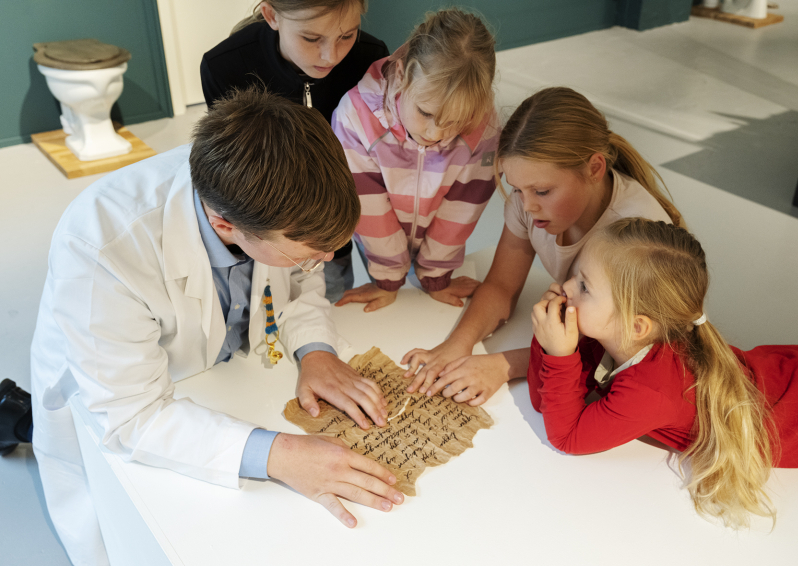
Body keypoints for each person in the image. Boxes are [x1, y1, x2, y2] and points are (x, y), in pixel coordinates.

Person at [30, 88, 404, 566]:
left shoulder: (270, 190)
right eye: (312, 251)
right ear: (225, 225)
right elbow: (134, 415)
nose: (326, 259)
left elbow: (299, 279)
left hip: (222, 376)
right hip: (120, 390)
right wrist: (281, 455)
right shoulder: (102, 244)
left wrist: (316, 351)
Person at [529, 218, 798, 528]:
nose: (566, 286)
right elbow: (544, 401)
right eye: (577, 275)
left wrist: (558, 354)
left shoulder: (650, 390)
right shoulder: (619, 336)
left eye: (584, 286)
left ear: (637, 325)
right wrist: (549, 341)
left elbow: (566, 437)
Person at [402, 87, 684, 404]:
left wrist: (506, 365)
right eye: (516, 189)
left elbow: (622, 350)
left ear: (594, 169)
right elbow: (501, 286)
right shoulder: (528, 203)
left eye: (543, 191)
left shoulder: (635, 233)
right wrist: (457, 345)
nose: (527, 206)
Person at [201, 0, 390, 303]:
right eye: (311, 38)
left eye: (346, 36)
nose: (331, 56)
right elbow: (236, 170)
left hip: (344, 213)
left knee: (333, 293)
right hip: (275, 227)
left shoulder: (370, 58)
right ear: (271, 15)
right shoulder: (225, 65)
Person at [331, 8, 500, 312]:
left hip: (438, 246)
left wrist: (436, 275)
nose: (436, 133)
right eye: (425, 112)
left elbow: (463, 209)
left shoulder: (483, 127)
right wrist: (387, 278)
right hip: (376, 244)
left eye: (456, 121)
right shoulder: (354, 118)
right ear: (401, 75)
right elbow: (370, 211)